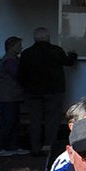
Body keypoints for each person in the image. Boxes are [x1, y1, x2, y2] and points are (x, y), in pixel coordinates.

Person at [17, 27, 76, 156]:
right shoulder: (56, 51)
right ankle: (49, 146)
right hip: (53, 90)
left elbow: (20, 73)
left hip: (32, 91)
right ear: (48, 37)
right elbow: (69, 62)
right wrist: (73, 54)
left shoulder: (27, 53)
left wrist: (25, 87)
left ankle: (35, 147)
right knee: (52, 120)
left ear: (35, 38)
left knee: (35, 120)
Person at [0, 35, 30, 157]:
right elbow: (17, 74)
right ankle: (0, 147)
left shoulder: (9, 59)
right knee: (8, 121)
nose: (21, 47)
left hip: (10, 95)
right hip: (9, 95)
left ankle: (10, 146)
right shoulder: (10, 60)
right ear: (11, 47)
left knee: (11, 121)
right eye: (18, 45)